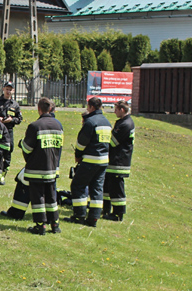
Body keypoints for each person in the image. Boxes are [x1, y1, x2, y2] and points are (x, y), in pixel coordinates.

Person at [20, 97, 64, 235]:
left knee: (38, 197)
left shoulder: (35, 126)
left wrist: (21, 143)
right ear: (50, 109)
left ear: (39, 109)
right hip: (52, 167)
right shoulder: (59, 125)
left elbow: (27, 148)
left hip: (36, 169)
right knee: (51, 197)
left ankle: (40, 225)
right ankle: (55, 224)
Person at [66, 96, 111, 227]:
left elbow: (81, 143)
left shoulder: (91, 122)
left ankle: (79, 216)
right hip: (103, 161)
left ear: (91, 107)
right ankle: (93, 219)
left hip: (90, 159)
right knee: (97, 188)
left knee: (78, 185)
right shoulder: (107, 123)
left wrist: (78, 155)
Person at [103, 100, 135, 221]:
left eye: (116, 109)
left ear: (122, 110)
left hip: (119, 161)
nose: (114, 111)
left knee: (117, 188)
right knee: (108, 186)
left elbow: (113, 142)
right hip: (115, 160)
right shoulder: (123, 122)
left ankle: (118, 213)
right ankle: (106, 208)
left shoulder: (125, 124)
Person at [0, 81, 22, 175]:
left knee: (9, 148)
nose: (8, 91)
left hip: (8, 130)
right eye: (7, 89)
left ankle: (5, 169)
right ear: (3, 89)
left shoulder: (15, 104)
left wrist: (11, 120)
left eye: (10, 89)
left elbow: (19, 119)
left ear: (13, 91)